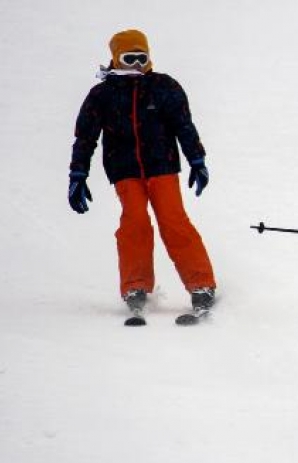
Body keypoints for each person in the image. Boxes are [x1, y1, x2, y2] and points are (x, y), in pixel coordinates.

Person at [68, 29, 216, 314]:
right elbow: (85, 137)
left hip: (162, 167)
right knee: (134, 222)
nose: (136, 64)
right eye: (128, 57)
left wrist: (196, 159)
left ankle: (201, 284)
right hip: (125, 170)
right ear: (115, 59)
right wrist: (78, 174)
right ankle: (135, 286)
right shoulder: (102, 95)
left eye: (142, 57)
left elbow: (184, 125)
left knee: (174, 221)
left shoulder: (163, 86)